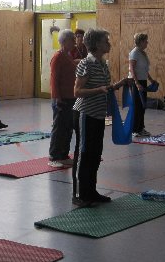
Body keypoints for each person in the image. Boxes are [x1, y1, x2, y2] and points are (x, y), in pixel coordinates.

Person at [72, 28, 129, 206]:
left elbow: (105, 88)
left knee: (96, 153)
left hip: (98, 114)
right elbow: (77, 91)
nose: (109, 44)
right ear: (97, 44)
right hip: (85, 113)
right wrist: (99, 90)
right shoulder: (86, 63)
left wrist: (119, 84)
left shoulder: (103, 64)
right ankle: (80, 195)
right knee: (84, 153)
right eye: (106, 41)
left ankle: (91, 191)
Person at [48, 29, 77, 167]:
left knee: (68, 128)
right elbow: (54, 79)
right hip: (61, 99)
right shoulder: (58, 57)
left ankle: (64, 155)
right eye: (72, 40)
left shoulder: (68, 55)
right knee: (59, 128)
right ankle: (54, 156)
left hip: (70, 97)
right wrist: (57, 97)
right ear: (64, 41)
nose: (75, 42)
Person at [128, 33, 157, 137]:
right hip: (135, 82)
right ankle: (135, 130)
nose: (147, 42)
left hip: (143, 81)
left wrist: (151, 80)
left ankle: (140, 128)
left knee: (142, 106)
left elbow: (144, 69)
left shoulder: (142, 53)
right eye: (145, 41)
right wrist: (137, 83)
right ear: (140, 42)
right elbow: (132, 69)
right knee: (137, 106)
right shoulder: (134, 53)